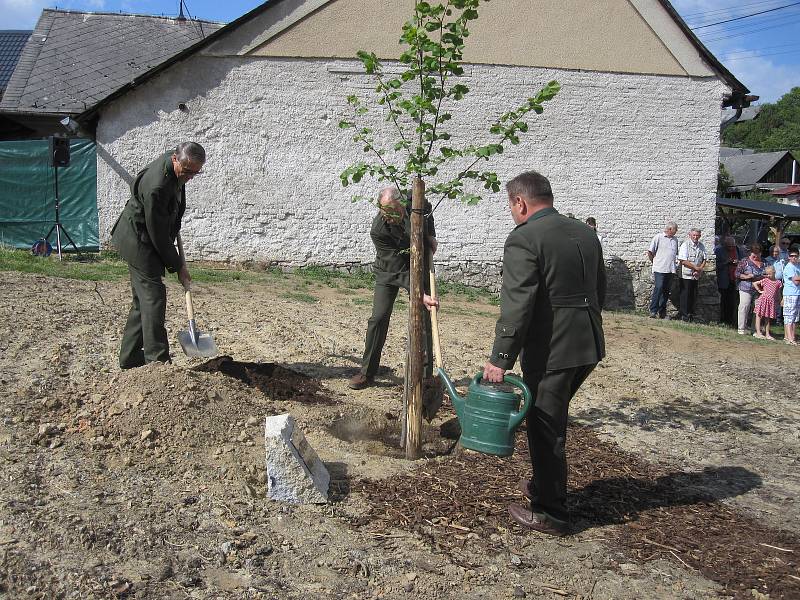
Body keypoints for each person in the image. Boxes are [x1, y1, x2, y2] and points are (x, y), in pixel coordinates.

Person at [482, 171, 605, 537]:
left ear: (520, 202)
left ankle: (551, 512)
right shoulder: (585, 232)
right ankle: (542, 485)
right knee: (548, 418)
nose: (511, 212)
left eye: (510, 205)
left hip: (553, 347)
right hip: (588, 343)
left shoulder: (524, 238)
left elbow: (518, 303)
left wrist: (500, 357)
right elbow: (600, 289)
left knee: (546, 426)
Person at [111, 142, 205, 369]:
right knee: (154, 298)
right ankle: (158, 362)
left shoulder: (176, 167)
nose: (191, 176)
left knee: (141, 302)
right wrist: (177, 265)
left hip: (145, 236)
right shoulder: (157, 187)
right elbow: (158, 235)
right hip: (139, 241)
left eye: (196, 171)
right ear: (175, 159)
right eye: (187, 170)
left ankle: (130, 357)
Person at [348, 187, 439, 390]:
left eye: (392, 211)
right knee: (378, 318)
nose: (387, 216)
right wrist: (419, 293)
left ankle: (425, 378)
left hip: (418, 261)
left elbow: (428, 209)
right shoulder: (378, 229)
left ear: (401, 204)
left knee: (424, 316)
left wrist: (430, 234)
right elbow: (397, 267)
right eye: (383, 211)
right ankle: (367, 373)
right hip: (389, 269)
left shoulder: (415, 202)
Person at [646, 222, 678, 319]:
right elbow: (650, 252)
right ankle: (653, 310)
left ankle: (662, 312)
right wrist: (655, 262)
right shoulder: (658, 237)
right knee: (659, 288)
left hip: (670, 269)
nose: (676, 232)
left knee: (665, 291)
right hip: (659, 268)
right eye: (675, 230)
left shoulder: (675, 239)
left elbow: (675, 253)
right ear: (669, 229)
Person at [676, 228, 707, 321]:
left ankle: (690, 314)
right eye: (694, 235)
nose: (695, 237)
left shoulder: (701, 246)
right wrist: (695, 268)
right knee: (685, 295)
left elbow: (704, 259)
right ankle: (684, 315)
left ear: (700, 236)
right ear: (690, 235)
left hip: (695, 275)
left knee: (692, 295)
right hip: (686, 275)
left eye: (697, 235)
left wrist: (700, 269)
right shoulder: (685, 245)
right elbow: (683, 261)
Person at [735, 243, 766, 335]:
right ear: (750, 253)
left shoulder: (765, 262)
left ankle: (755, 329)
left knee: (758, 309)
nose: (755, 257)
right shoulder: (744, 261)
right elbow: (736, 274)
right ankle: (741, 329)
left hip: (760, 289)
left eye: (757, 254)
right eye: (753, 255)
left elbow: (769, 273)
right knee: (744, 306)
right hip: (746, 288)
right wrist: (747, 276)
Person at [715, 235, 743, 327]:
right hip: (724, 280)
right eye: (729, 246)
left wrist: (738, 262)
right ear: (725, 245)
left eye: (732, 246)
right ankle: (722, 320)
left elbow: (744, 263)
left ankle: (731, 321)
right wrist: (726, 262)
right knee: (723, 301)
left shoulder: (739, 251)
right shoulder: (719, 251)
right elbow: (716, 266)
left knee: (732, 302)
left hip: (735, 280)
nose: (731, 248)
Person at [752, 266, 782, 340]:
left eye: (769, 274)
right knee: (759, 316)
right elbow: (755, 283)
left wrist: (780, 300)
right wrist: (759, 290)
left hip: (771, 302)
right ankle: (758, 332)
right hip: (763, 300)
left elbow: (778, 293)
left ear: (774, 272)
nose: (768, 276)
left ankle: (767, 334)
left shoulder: (778, 282)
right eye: (767, 274)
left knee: (767, 318)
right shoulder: (765, 280)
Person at [783, 247, 800, 346]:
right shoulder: (789, 267)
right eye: (791, 256)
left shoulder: (797, 266)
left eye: (796, 256)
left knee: (795, 317)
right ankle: (789, 338)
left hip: (797, 293)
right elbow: (796, 281)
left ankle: (792, 337)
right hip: (790, 294)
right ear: (788, 257)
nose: (794, 257)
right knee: (789, 316)